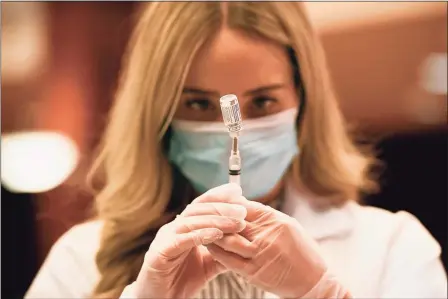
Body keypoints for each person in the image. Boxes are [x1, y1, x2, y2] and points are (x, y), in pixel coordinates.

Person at [25, 2, 447, 299]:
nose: (235, 131)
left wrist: (320, 294)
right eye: (197, 104)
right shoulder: (81, 260)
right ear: (158, 115)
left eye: (263, 102)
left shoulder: (393, 248)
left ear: (304, 103)